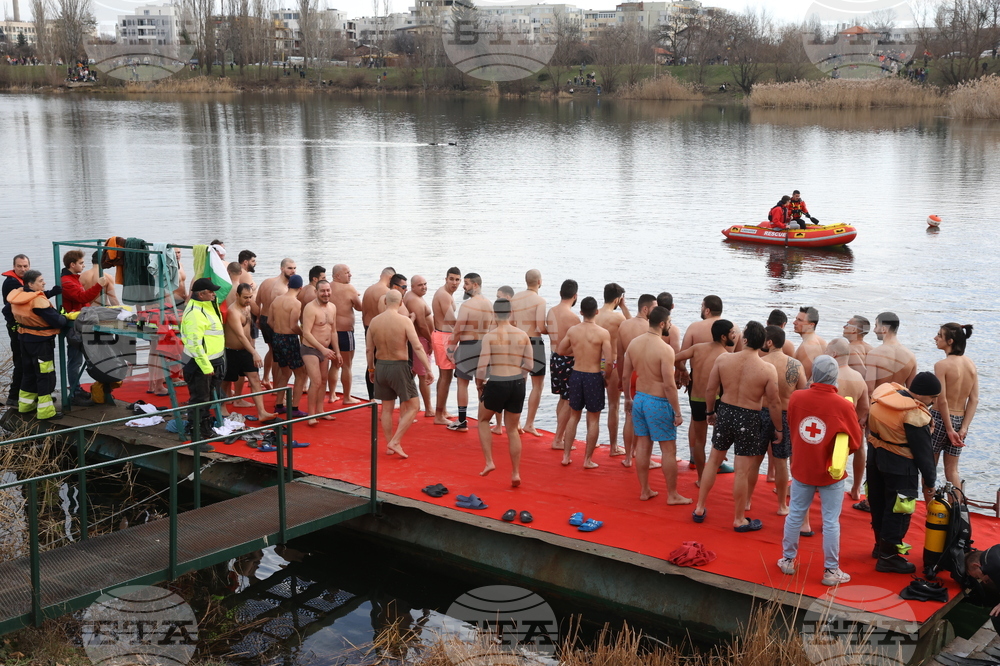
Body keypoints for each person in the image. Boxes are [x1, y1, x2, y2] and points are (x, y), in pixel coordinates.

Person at [777, 356, 863, 586]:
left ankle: (788, 560)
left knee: (795, 514)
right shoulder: (844, 405)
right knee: (831, 521)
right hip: (830, 472)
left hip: (802, 467)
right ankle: (831, 571)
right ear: (835, 376)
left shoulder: (797, 397)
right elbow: (855, 441)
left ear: (813, 373)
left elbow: (792, 424)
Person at [695, 321, 781, 532]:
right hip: (749, 417)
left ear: (745, 339)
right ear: (763, 343)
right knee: (742, 471)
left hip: (725, 412)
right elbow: (774, 403)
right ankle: (739, 518)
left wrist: (710, 412)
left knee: (713, 460)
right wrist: (778, 428)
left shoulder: (724, 359)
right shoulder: (768, 369)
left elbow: (710, 389)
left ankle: (699, 507)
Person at [867, 371, 939, 573]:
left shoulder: (885, 398)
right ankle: (888, 557)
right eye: (933, 397)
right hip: (900, 467)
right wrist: (930, 482)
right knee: (899, 510)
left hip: (875, 458)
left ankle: (880, 546)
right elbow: (924, 454)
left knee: (878, 503)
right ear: (922, 394)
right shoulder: (914, 415)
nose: (933, 401)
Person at [621, 306, 687, 503]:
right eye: (669, 322)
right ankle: (672, 495)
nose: (670, 325)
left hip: (640, 398)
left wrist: (627, 398)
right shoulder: (665, 349)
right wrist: (678, 412)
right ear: (662, 323)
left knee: (642, 445)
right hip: (658, 402)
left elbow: (625, 376)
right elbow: (669, 385)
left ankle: (645, 490)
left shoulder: (634, 344)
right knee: (668, 450)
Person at [366, 290, 432, 458]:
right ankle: (395, 441)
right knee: (414, 406)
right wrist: (428, 369)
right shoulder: (404, 321)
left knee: (386, 409)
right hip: (399, 366)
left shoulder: (374, 322)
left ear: (385, 302)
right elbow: (417, 347)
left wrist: (371, 369)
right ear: (401, 302)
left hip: (381, 365)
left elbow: (369, 350)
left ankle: (390, 445)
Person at [475, 298, 533, 487]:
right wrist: (518, 377)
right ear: (511, 313)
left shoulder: (490, 336)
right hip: (517, 383)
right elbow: (530, 365)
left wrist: (479, 383)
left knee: (483, 420)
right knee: (512, 430)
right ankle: (515, 473)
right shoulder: (523, 335)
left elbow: (482, 368)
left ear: (494, 314)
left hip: (498, 382)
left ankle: (489, 461)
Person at [674, 319, 736, 484]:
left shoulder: (697, 348)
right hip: (715, 400)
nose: (735, 335)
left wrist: (683, 370)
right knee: (719, 440)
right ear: (723, 336)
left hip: (696, 399)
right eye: (732, 333)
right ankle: (716, 466)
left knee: (699, 442)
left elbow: (674, 358)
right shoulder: (725, 356)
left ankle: (701, 478)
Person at [556, 296, 612, 469]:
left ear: (581, 312)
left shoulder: (573, 331)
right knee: (593, 419)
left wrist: (577, 350)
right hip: (593, 376)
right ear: (597, 312)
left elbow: (560, 350)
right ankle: (587, 460)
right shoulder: (603, 333)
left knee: (574, 416)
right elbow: (609, 361)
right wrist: (606, 377)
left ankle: (566, 456)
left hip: (577, 374)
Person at [6, 270, 67, 420]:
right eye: (40, 281)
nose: (44, 283)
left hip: (24, 340)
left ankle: (25, 406)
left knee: (29, 373)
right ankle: (46, 412)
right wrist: (64, 317)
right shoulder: (37, 301)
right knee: (45, 376)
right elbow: (57, 321)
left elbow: (6, 310)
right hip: (41, 342)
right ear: (31, 284)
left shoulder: (18, 296)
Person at [759, 325, 805, 515]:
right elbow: (803, 394)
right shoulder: (796, 365)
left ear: (769, 342)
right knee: (781, 461)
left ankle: (746, 502)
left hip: (761, 413)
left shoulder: (759, 363)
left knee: (753, 460)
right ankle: (781, 506)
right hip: (785, 415)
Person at [179, 278, 227, 451]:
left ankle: (206, 430)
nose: (214, 294)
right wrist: (206, 366)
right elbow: (194, 343)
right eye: (211, 291)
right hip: (199, 364)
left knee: (208, 399)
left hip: (213, 360)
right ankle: (196, 438)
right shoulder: (195, 312)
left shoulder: (207, 306)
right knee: (199, 400)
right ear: (201, 294)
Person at [60, 249, 109, 406]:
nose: (83, 265)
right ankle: (75, 392)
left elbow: (83, 301)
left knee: (80, 359)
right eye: (81, 263)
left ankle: (78, 389)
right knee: (75, 360)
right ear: (72, 264)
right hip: (75, 327)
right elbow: (82, 297)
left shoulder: (73, 279)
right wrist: (98, 285)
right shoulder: (67, 282)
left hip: (81, 323)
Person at [932, 323, 978, 488]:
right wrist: (963, 428)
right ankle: (957, 504)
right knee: (952, 470)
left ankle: (930, 503)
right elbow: (974, 399)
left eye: (939, 335)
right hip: (960, 419)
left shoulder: (942, 365)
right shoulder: (971, 365)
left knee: (930, 468)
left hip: (940, 418)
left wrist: (949, 429)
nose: (935, 338)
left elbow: (942, 400)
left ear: (950, 341)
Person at [446, 273, 494, 432]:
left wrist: (451, 349)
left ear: (475, 285)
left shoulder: (467, 305)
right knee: (482, 384)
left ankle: (461, 421)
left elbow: (458, 330)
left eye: (466, 283)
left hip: (467, 346)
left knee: (462, 383)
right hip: (484, 345)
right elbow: (493, 327)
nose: (463, 286)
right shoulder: (489, 304)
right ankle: (484, 419)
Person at [223, 283, 276, 422]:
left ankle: (262, 412)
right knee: (226, 381)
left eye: (250, 297)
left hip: (246, 350)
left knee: (255, 379)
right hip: (231, 352)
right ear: (237, 295)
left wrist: (252, 347)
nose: (248, 300)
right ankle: (222, 408)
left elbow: (249, 330)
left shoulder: (247, 307)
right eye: (245, 297)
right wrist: (254, 353)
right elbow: (240, 336)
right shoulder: (233, 311)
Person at [825, 337, 870, 501]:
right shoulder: (858, 377)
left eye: (826, 352)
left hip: (830, 423)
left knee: (824, 452)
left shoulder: (829, 375)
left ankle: (819, 484)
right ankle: (856, 488)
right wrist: (856, 420)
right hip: (851, 423)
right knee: (860, 449)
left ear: (834, 354)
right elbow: (865, 406)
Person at [616, 294, 657, 467]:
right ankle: (643, 457)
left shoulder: (624, 325)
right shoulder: (650, 327)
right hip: (644, 376)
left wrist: (621, 379)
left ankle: (627, 458)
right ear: (645, 309)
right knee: (645, 418)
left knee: (629, 416)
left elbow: (620, 356)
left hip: (629, 373)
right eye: (654, 308)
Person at [594, 283, 630, 457]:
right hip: (612, 362)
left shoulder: (594, 314)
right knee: (613, 406)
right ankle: (613, 446)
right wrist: (624, 307)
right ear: (617, 299)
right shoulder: (618, 318)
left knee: (593, 408)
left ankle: (592, 440)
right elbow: (635, 327)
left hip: (595, 362)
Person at [510, 269, 547, 437]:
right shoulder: (540, 301)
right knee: (537, 385)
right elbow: (540, 327)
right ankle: (529, 423)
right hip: (534, 342)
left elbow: (511, 322)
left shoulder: (515, 298)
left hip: (517, 341)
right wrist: (553, 331)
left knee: (519, 382)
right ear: (539, 281)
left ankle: (515, 421)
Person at [301, 280, 343, 425]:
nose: (326, 293)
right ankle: (310, 415)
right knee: (316, 381)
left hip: (325, 349)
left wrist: (337, 352)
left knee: (324, 380)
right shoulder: (310, 308)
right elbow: (306, 333)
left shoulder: (332, 307)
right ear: (316, 292)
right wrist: (322, 349)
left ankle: (320, 410)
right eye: (323, 291)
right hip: (311, 349)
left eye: (328, 290)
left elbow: (333, 331)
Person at [545, 279, 581, 451]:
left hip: (554, 358)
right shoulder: (573, 318)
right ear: (575, 296)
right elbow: (578, 343)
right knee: (567, 399)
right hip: (568, 360)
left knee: (562, 398)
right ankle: (558, 438)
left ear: (561, 293)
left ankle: (561, 434)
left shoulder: (551, 311)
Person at [270, 274, 307, 417]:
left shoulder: (276, 300)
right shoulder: (296, 303)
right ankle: (295, 408)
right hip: (289, 339)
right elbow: (293, 326)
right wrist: (303, 334)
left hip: (276, 338)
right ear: (300, 288)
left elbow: (269, 322)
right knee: (301, 374)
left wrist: (279, 332)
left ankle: (279, 405)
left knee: (285, 372)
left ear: (288, 285)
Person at [256, 258, 297, 388]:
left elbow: (257, 302)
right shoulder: (282, 289)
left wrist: (258, 318)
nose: (293, 271)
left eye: (294, 268)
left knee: (272, 350)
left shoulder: (266, 282)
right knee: (278, 355)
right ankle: (276, 387)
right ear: (282, 268)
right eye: (289, 268)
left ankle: (266, 378)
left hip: (264, 319)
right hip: (273, 322)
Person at [327, 264, 362, 404]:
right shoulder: (349, 288)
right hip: (345, 332)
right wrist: (356, 296)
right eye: (347, 272)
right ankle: (347, 397)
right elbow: (360, 307)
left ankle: (332, 395)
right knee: (347, 365)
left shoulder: (327, 288)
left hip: (330, 332)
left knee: (334, 364)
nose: (350, 275)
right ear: (337, 276)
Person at [431, 267, 461, 425]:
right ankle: (438, 415)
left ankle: (442, 410)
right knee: (445, 376)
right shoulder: (443, 295)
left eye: (457, 280)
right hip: (444, 337)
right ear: (446, 279)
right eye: (452, 279)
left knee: (447, 376)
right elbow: (451, 320)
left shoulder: (447, 294)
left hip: (444, 336)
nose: (454, 283)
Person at [362, 267, 396, 399]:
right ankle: (385, 396)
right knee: (384, 363)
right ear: (390, 278)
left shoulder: (368, 290)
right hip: (380, 330)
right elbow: (388, 316)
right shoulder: (386, 292)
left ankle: (371, 397)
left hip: (368, 328)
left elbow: (364, 313)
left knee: (371, 363)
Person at [404, 274, 436, 416]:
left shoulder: (413, 296)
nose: (424, 287)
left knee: (412, 374)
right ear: (412, 287)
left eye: (425, 284)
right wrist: (431, 340)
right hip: (421, 339)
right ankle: (428, 408)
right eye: (420, 285)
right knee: (424, 375)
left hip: (418, 339)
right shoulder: (414, 300)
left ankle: (410, 406)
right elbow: (422, 325)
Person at [866, 312, 917, 389]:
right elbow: (912, 390)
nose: (874, 330)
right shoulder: (911, 356)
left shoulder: (873, 355)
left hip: (879, 396)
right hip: (900, 396)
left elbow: (869, 388)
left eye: (876, 326)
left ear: (884, 329)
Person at [793, 306, 826, 382]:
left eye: (800, 320)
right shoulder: (821, 341)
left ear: (811, 325)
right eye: (796, 319)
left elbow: (805, 379)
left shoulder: (807, 346)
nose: (794, 322)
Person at [842, 315, 873, 389]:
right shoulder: (871, 348)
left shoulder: (849, 349)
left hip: (858, 390)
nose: (844, 326)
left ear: (854, 329)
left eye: (847, 324)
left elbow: (864, 375)